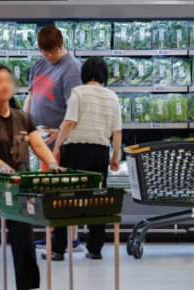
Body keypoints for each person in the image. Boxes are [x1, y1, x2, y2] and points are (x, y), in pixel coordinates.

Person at [0, 64, 66, 290]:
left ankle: (27, 287)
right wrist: (1, 166)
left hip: (19, 192)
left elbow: (38, 144)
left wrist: (51, 162)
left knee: (25, 246)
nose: (5, 85)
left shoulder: (23, 117)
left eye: (8, 81)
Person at [44, 57, 122, 261]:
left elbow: (69, 122)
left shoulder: (78, 92)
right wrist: (115, 156)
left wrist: (57, 145)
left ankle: (59, 248)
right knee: (98, 198)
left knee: (64, 198)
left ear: (84, 74)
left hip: (76, 150)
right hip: (101, 152)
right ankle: (95, 249)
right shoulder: (112, 97)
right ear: (104, 75)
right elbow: (117, 130)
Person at [25, 25, 83, 251]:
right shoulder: (39, 64)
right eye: (44, 51)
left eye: (53, 50)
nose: (49, 55)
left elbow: (74, 107)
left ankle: (71, 238)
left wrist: (59, 132)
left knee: (64, 190)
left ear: (61, 44)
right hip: (41, 138)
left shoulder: (72, 67)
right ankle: (55, 235)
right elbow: (31, 95)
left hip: (61, 140)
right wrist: (25, 121)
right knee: (50, 190)